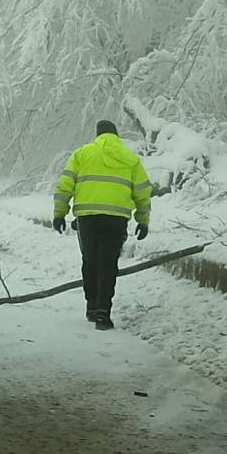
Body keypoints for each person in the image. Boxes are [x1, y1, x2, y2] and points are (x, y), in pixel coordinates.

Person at [52, 120, 152, 331]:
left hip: (87, 218)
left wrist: (59, 213)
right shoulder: (131, 159)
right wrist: (143, 220)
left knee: (90, 261)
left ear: (97, 135)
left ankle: (91, 306)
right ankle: (103, 314)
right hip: (117, 218)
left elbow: (65, 185)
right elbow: (142, 192)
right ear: (116, 135)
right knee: (108, 264)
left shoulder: (82, 153)